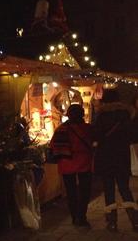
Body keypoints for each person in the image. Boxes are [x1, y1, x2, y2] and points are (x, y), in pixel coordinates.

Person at [93, 89, 138, 232]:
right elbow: (133, 136)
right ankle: (135, 222)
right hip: (122, 156)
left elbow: (96, 136)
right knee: (125, 188)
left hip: (106, 156)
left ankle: (112, 223)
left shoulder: (101, 116)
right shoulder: (126, 115)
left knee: (109, 189)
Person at [50, 104, 93, 227]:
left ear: (68, 115)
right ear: (82, 114)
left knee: (71, 192)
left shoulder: (61, 129)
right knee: (84, 191)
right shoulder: (88, 128)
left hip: (67, 165)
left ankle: (74, 217)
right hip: (84, 163)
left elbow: (53, 146)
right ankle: (82, 216)